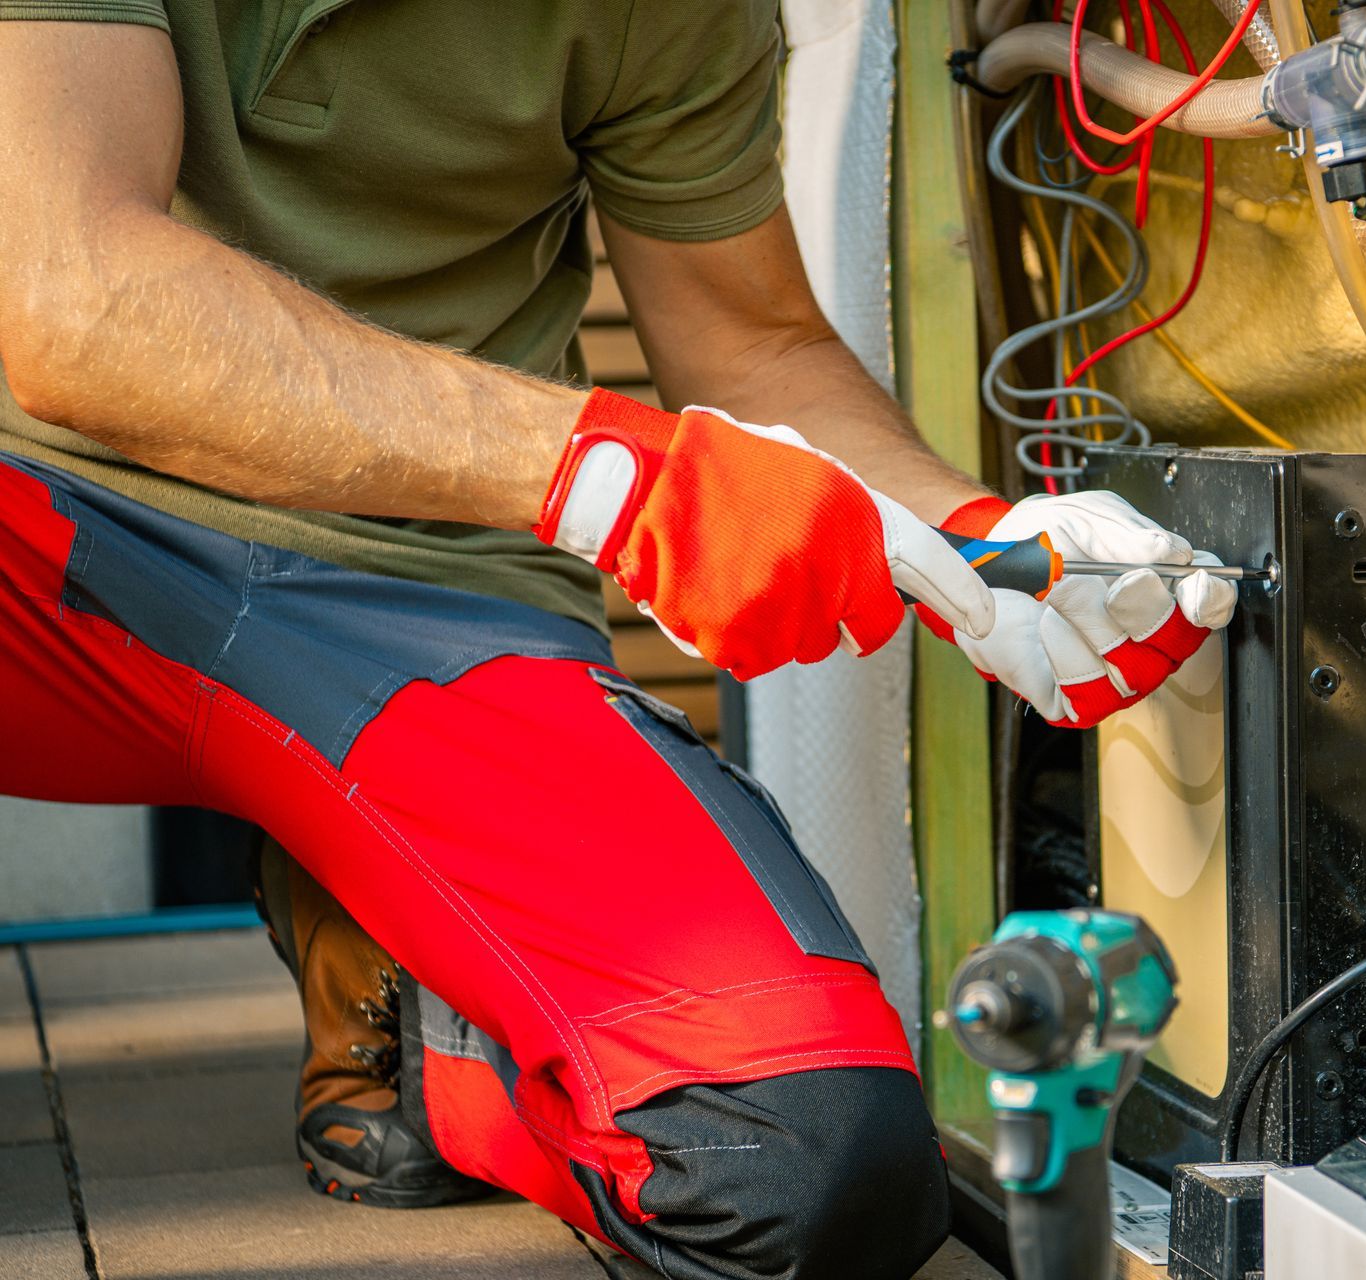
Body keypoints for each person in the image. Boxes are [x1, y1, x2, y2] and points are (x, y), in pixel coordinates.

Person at [0, 7, 1235, 1277]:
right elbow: (75, 297)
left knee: (798, 1163)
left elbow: (753, 340)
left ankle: (447, 1040)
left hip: (422, 590)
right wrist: (618, 479)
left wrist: (977, 540)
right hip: (39, 525)